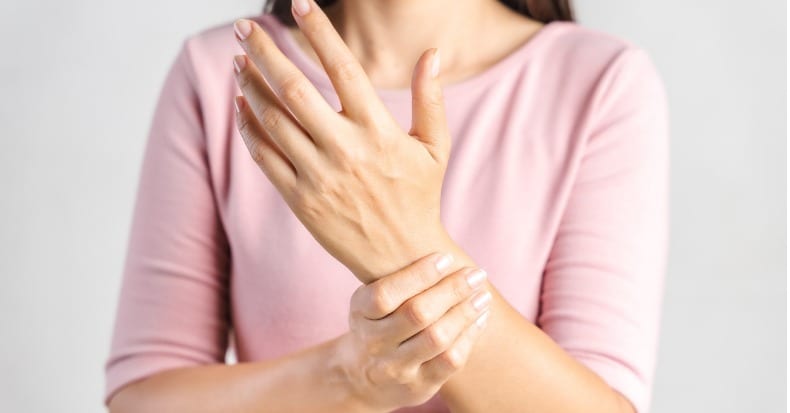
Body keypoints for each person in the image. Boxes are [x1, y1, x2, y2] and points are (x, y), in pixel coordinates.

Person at [104, 0, 669, 412]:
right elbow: (144, 396)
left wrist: (404, 240)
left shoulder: (599, 83)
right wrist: (348, 377)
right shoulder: (222, 73)